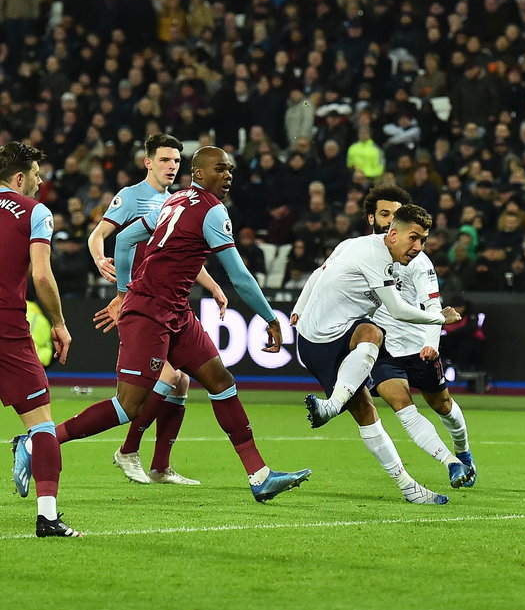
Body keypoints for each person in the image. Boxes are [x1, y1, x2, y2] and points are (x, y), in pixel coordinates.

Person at [17, 147, 311, 503]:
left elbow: (126, 240)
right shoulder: (212, 211)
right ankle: (38, 440)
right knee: (129, 406)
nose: (229, 175)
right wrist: (269, 318)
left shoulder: (174, 202)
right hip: (150, 313)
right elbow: (241, 276)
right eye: (221, 169)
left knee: (221, 381)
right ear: (199, 174)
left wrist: (124, 290)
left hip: (176, 313)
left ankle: (259, 476)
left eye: (231, 169)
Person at [292, 203, 461, 504]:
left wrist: (299, 309)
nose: (418, 247)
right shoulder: (376, 257)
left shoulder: (368, 249)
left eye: (423, 240)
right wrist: (439, 318)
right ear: (393, 234)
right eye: (414, 238)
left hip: (340, 335)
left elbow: (321, 272)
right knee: (373, 332)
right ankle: (331, 408)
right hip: (318, 341)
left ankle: (408, 487)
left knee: (367, 412)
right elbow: (396, 309)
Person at [89, 133, 227, 486]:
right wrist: (103, 266)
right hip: (138, 302)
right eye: (165, 160)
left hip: (166, 303)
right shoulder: (132, 197)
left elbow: (182, 256)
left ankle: (161, 466)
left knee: (181, 383)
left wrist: (212, 287)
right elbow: (99, 236)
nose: (171, 166)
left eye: (176, 161)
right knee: (166, 378)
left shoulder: (178, 200)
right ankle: (128, 451)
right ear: (148, 161)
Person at [361, 185, 476, 489]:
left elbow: (432, 305)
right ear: (373, 218)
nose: (388, 220)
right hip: (382, 348)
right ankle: (449, 463)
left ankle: (463, 452)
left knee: (442, 406)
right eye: (384, 213)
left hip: (418, 347)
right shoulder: (362, 251)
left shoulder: (419, 262)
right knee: (403, 407)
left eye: (393, 214)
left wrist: (431, 343)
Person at [1, 142, 81, 537]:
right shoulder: (35, 212)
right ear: (19, 178)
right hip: (7, 329)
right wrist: (59, 322)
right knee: (42, 426)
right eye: (36, 176)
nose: (39, 182)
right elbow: (42, 275)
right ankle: (47, 517)